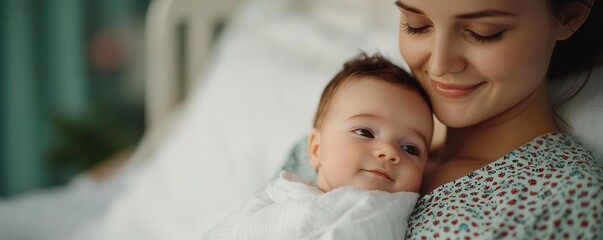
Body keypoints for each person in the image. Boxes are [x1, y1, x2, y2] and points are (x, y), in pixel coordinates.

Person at [393, 0, 603, 238]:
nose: (439, 65)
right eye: (416, 25)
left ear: (569, 15)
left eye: (483, 33)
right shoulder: (363, 128)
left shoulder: (568, 199)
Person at [201, 53, 434, 239]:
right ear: (314, 149)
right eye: (365, 132)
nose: (390, 152)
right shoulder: (281, 194)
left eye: (411, 149)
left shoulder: (392, 209)